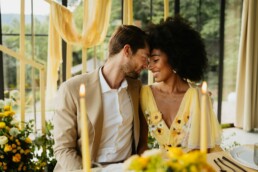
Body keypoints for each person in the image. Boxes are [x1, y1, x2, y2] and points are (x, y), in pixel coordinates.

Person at [53, 25, 150, 171]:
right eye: (144, 57)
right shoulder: (72, 89)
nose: (146, 65)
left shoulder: (136, 88)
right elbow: (63, 148)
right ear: (127, 51)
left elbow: (142, 142)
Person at [140, 16, 221, 152]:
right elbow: (142, 146)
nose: (150, 67)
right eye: (148, 61)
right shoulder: (144, 95)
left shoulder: (199, 97)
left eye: (155, 60)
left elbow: (205, 150)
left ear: (174, 57)